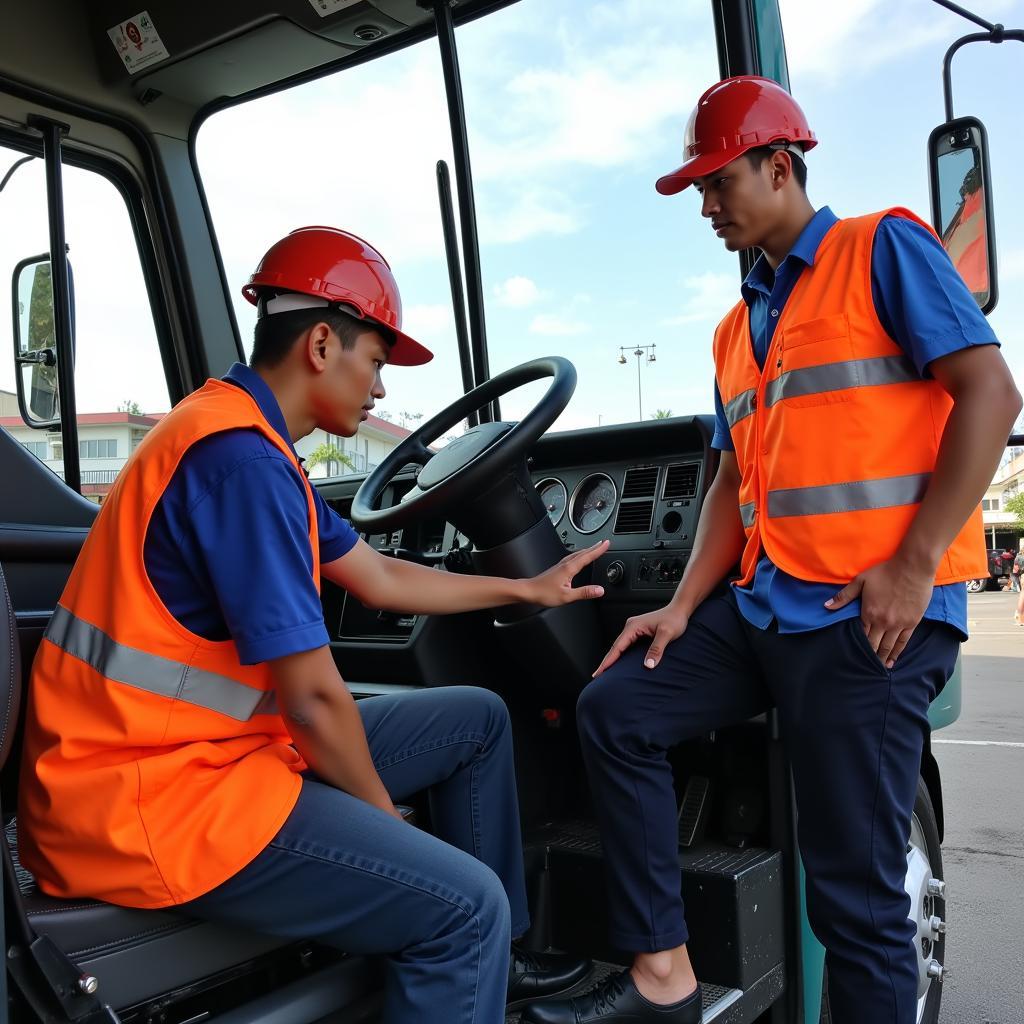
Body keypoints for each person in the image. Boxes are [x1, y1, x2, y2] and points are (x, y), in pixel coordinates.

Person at [520, 77, 1022, 1024]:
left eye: (717, 185)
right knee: (616, 709)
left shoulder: (883, 249)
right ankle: (663, 974)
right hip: (766, 609)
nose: (707, 208)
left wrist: (912, 567)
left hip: (871, 616)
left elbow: (992, 396)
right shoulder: (734, 327)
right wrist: (679, 606)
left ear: (780, 166)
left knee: (856, 900)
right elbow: (727, 489)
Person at [18, 226, 601, 1024]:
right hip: (150, 800)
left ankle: (495, 969)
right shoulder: (240, 464)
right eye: (375, 362)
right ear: (323, 343)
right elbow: (315, 706)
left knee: (478, 719)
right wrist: (380, 816)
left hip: (193, 759)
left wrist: (523, 587)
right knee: (463, 908)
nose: (381, 390)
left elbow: (382, 575)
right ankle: (476, 949)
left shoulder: (248, 441)